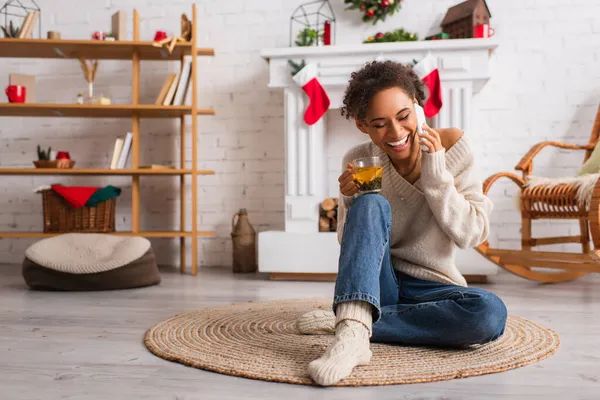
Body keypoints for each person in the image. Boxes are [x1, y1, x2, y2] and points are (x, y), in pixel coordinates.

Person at [295, 60, 508, 386]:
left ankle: (354, 319)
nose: (395, 133)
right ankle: (353, 337)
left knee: (489, 314)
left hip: (433, 286)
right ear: (362, 125)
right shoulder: (361, 159)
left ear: (418, 108)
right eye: (379, 124)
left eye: (403, 116)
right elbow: (350, 244)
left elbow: (471, 234)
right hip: (381, 282)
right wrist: (350, 202)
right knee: (370, 202)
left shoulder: (454, 147)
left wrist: (435, 173)